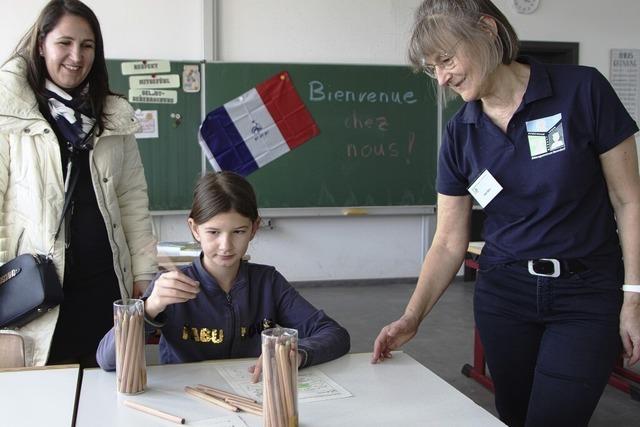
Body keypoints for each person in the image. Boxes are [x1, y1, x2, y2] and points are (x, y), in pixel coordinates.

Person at [371, 1, 640, 426]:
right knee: (515, 414)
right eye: (431, 68)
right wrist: (412, 315)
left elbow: (629, 200)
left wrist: (634, 295)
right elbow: (447, 241)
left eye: (446, 59)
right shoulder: (461, 133)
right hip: (505, 297)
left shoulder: (583, 91)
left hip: (586, 293)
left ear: (487, 29)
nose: (442, 78)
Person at [0, 0, 157, 367]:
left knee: (105, 389)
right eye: (64, 43)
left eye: (87, 46)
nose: (76, 56)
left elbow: (132, 199)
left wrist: (143, 271)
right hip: (39, 289)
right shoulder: (11, 116)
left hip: (105, 284)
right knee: (42, 400)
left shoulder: (114, 117)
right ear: (41, 44)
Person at [96, 171, 350, 380]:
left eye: (238, 231)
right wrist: (149, 308)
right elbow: (106, 360)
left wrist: (299, 353)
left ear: (254, 228)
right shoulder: (169, 286)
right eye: (213, 232)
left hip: (250, 393)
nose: (226, 246)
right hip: (188, 401)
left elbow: (335, 334)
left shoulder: (268, 283)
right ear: (194, 229)